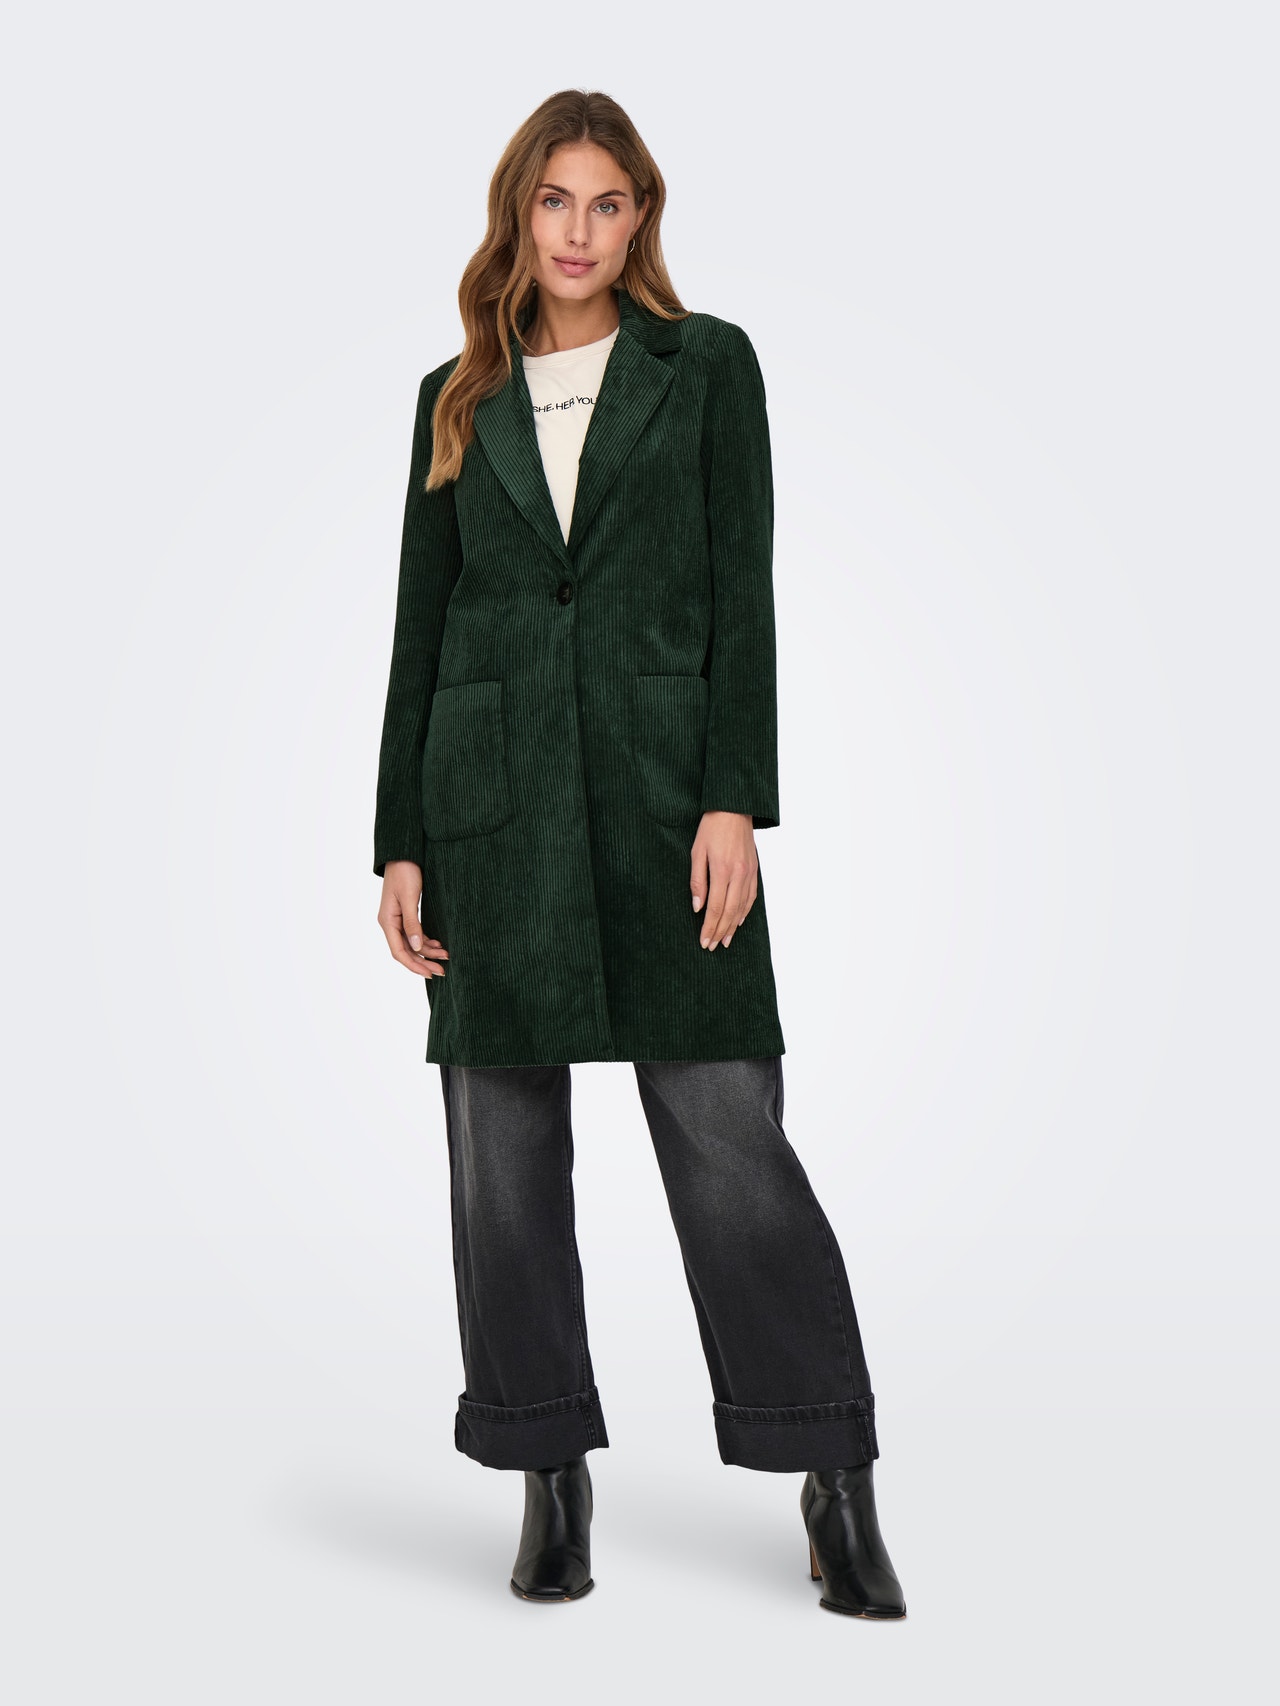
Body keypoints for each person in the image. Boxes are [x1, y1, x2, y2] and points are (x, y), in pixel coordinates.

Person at [373, 88, 906, 1619]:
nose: (580, 230)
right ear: (518, 214)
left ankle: (833, 1469)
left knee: (730, 1136)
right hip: (492, 808)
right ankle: (546, 1468)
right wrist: (400, 839)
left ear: (640, 218)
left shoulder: (706, 365)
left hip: (671, 802)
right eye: (556, 200)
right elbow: (423, 626)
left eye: (608, 203)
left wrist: (736, 797)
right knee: (501, 1157)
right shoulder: (455, 395)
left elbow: (746, 591)